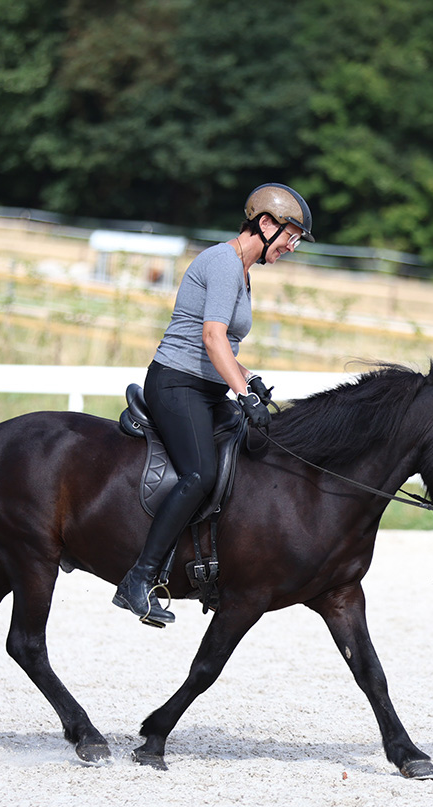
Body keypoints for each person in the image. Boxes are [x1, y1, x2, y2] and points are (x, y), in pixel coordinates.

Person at [112, 183, 314, 627]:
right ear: (265, 224)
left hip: (204, 387)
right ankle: (139, 579)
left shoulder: (242, 272)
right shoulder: (223, 263)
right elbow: (211, 337)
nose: (291, 247)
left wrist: (250, 380)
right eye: (290, 236)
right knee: (200, 473)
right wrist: (242, 393)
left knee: (253, 449)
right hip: (176, 384)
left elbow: (225, 347)